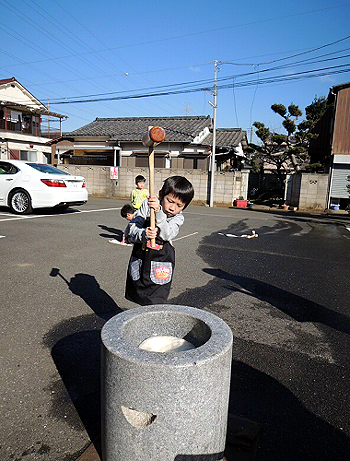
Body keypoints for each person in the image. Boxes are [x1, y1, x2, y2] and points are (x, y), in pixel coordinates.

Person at [125, 176, 194, 305]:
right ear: (161, 194)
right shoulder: (147, 205)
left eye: (180, 205)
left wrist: (158, 212)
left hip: (161, 262)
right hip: (142, 256)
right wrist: (144, 233)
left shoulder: (178, 218)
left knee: (156, 300)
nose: (173, 208)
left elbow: (167, 234)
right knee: (138, 294)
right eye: (170, 201)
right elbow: (132, 230)